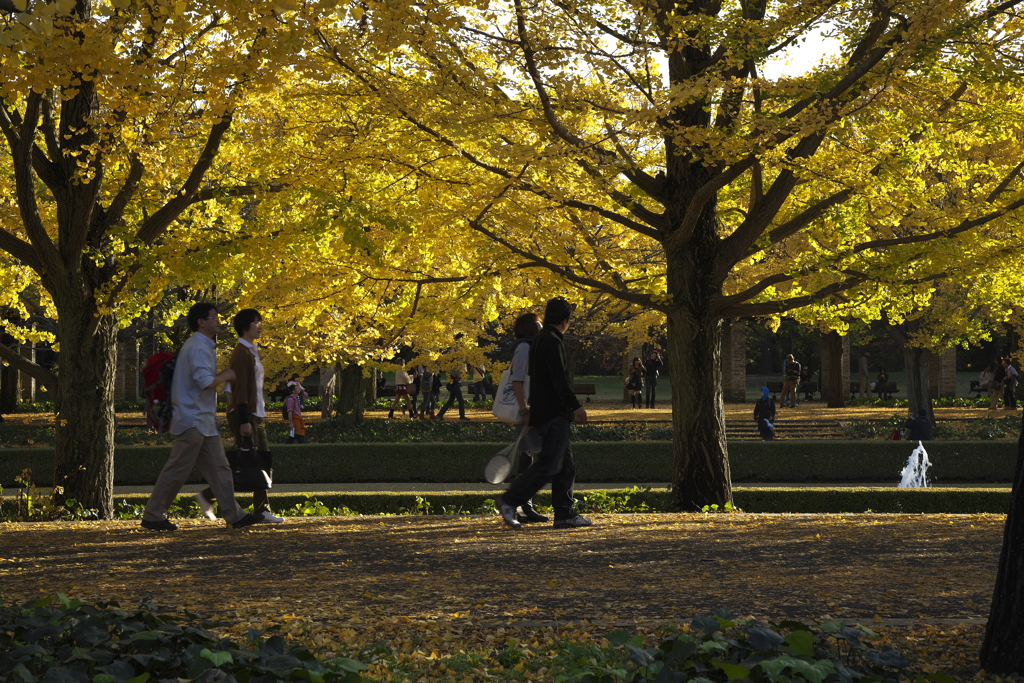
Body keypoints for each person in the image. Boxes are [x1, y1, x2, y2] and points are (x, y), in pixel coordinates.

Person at [140, 303, 265, 531]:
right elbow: (205, 382)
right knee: (177, 470)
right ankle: (153, 515)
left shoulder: (202, 345)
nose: (219, 321)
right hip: (193, 420)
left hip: (202, 421)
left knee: (220, 469)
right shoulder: (197, 347)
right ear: (201, 322)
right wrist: (226, 375)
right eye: (214, 317)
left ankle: (234, 515)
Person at [496, 297, 591, 530]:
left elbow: (538, 381)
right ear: (565, 320)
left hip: (544, 411)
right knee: (549, 464)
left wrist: (531, 412)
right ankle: (510, 501)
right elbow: (559, 379)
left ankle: (565, 513)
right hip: (554, 413)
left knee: (565, 465)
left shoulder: (537, 341)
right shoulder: (552, 341)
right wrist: (576, 406)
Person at [197, 308, 283, 524]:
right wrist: (244, 420)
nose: (260, 326)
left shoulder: (251, 350)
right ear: (245, 326)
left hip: (254, 414)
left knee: (260, 462)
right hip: (246, 414)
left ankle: (261, 509)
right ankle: (208, 495)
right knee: (249, 463)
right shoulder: (241, 353)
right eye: (256, 322)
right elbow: (240, 390)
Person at [506, 311, 547, 523]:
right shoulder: (524, 347)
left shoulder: (532, 346)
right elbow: (517, 380)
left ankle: (521, 505)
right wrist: (524, 410)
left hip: (535, 409)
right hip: (528, 411)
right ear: (530, 327)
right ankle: (515, 504)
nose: (542, 325)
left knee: (529, 457)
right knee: (532, 458)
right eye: (539, 323)